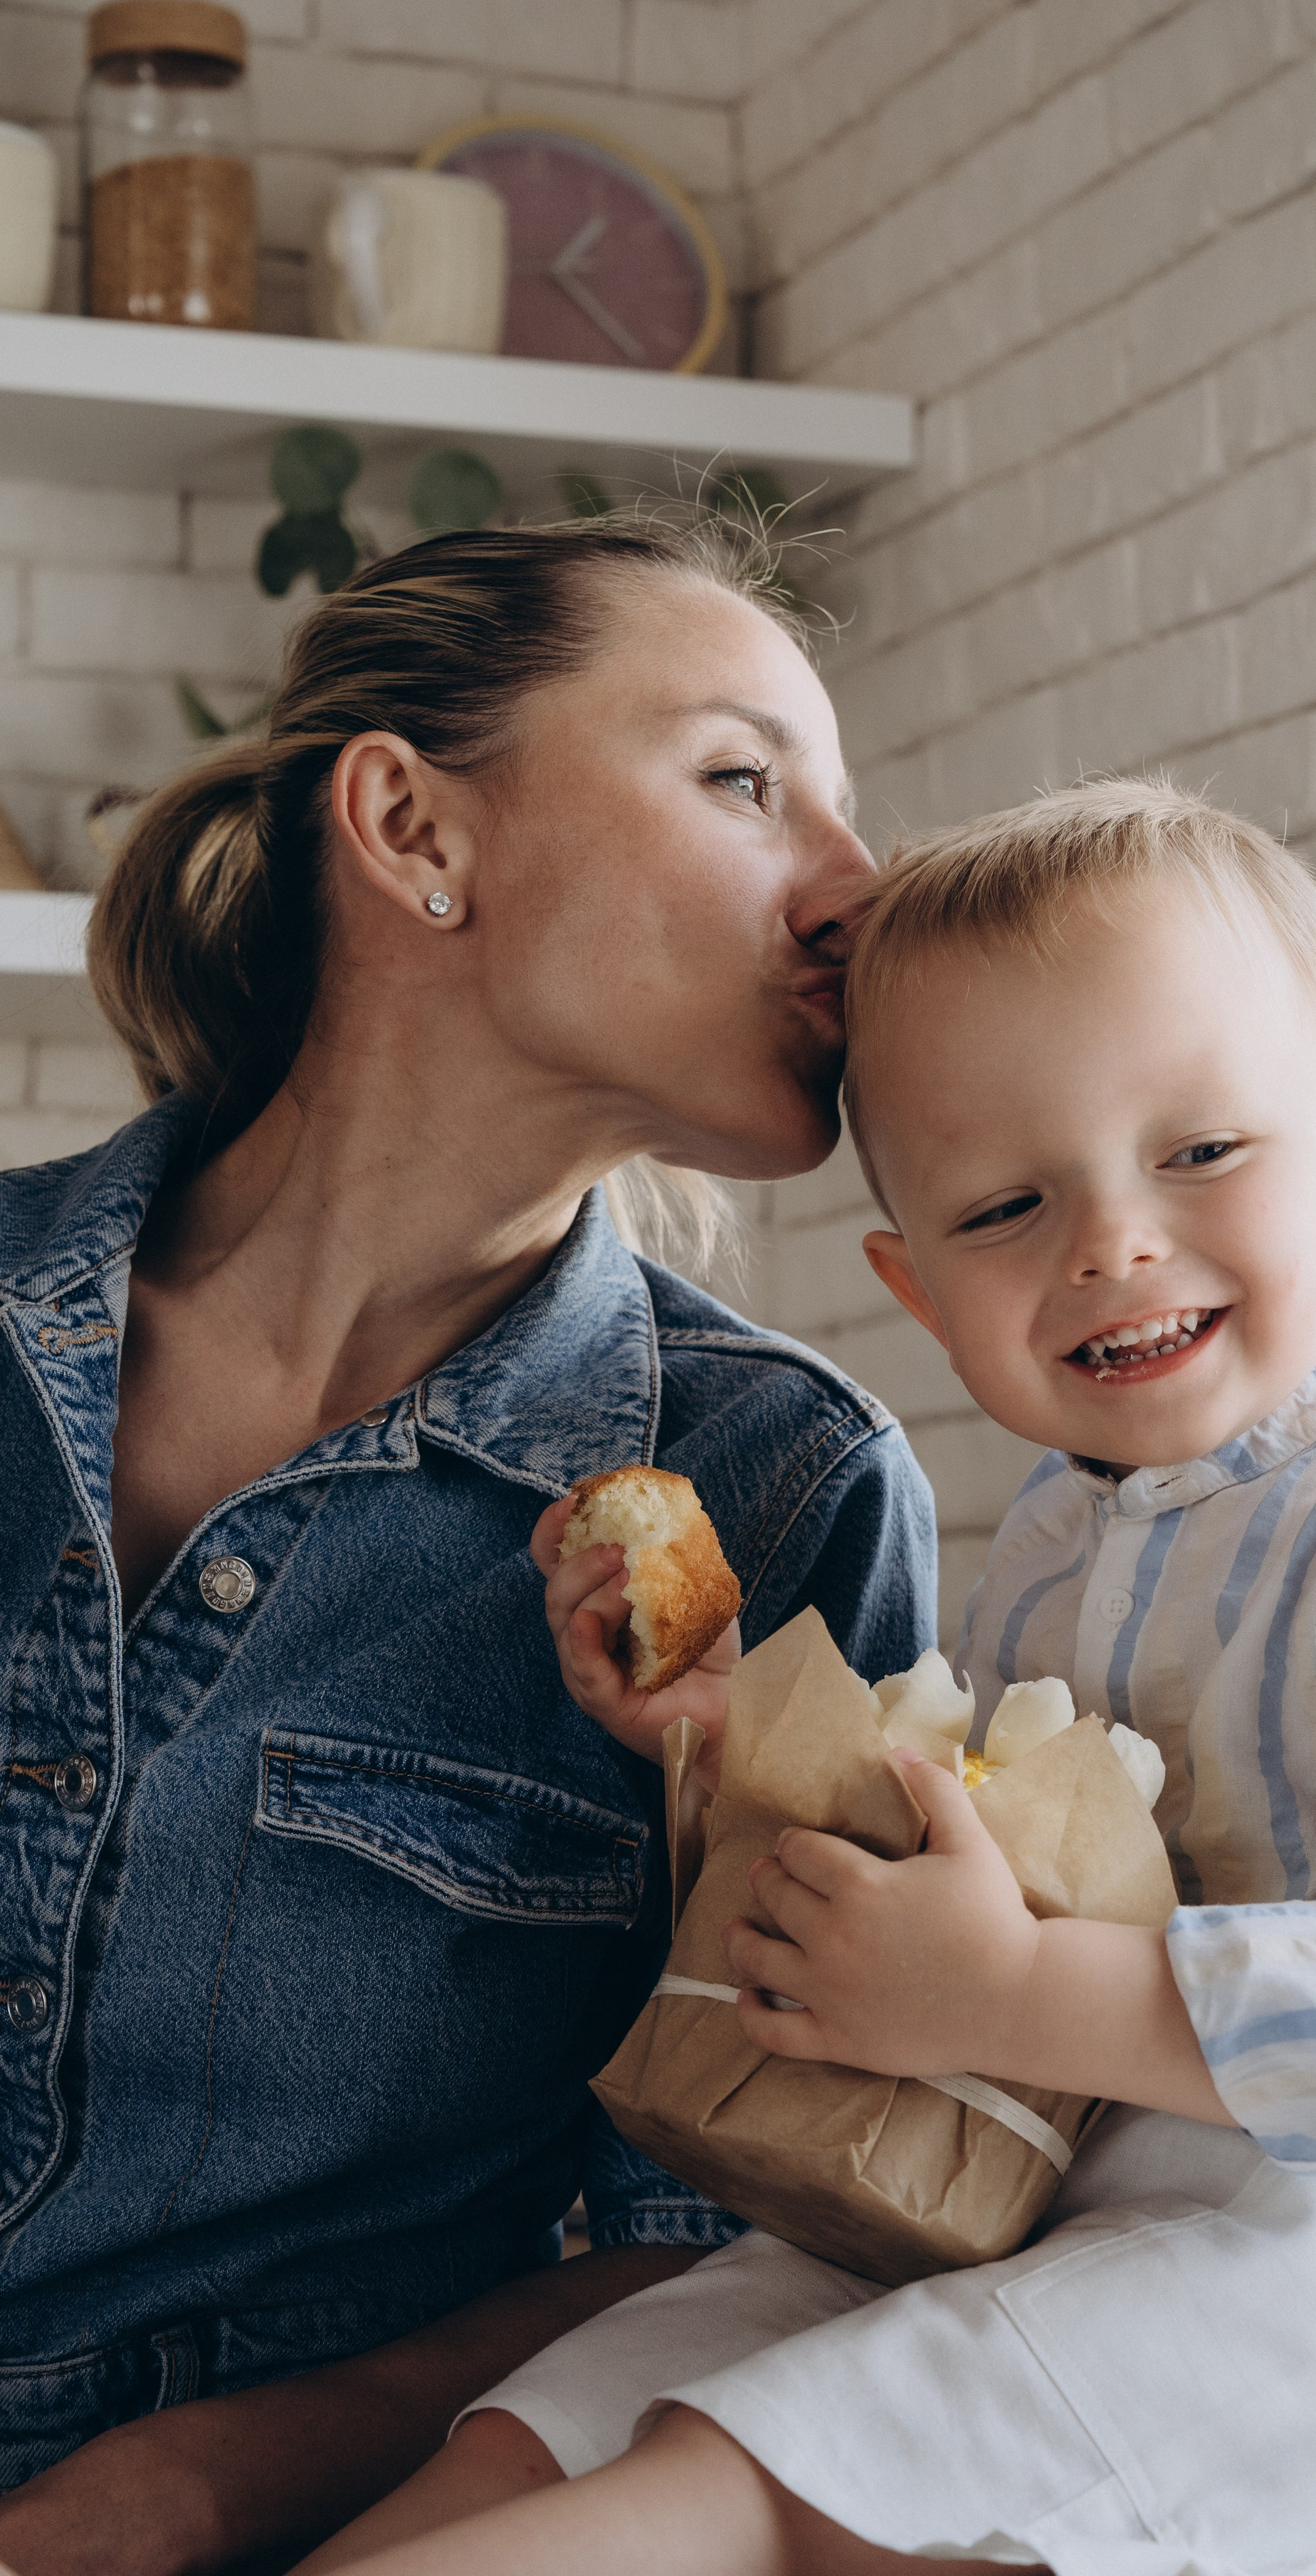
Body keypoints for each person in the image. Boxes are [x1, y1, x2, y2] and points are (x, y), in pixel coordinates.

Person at [313, 780, 1316, 2576]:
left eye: (1202, 1152)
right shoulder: (1071, 1544)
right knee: (590, 2400)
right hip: (1060, 2195)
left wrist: (1008, 1990)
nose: (1108, 1242)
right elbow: (971, 1857)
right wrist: (728, 1741)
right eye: (1003, 1205)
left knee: (795, 2470)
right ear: (918, 1295)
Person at [0, 518, 935, 2576]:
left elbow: (766, 2236)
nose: (859, 890)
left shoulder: (785, 1490)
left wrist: (189, 2489)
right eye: (744, 779)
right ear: (416, 830)